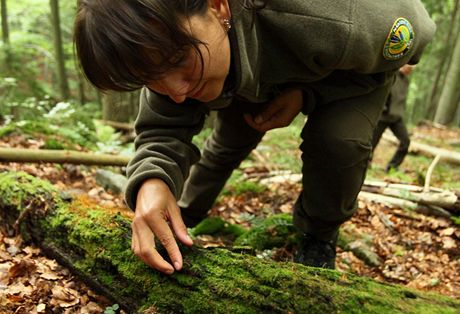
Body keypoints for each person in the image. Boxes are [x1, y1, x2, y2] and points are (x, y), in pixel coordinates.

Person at [74, 0, 435, 274]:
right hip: (237, 67)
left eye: (179, 61)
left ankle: (319, 235)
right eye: (151, 77)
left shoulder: (340, 20)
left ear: (216, 6)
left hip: (345, 73)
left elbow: (411, 40)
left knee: (339, 144)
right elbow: (163, 127)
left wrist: (308, 94)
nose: (176, 91)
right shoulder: (166, 38)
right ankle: (182, 215)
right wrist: (153, 180)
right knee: (230, 139)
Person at [371, 64, 414, 172]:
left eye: (411, 69)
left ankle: (392, 167)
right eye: (408, 67)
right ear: (403, 66)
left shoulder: (406, 81)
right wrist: (383, 107)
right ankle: (365, 164)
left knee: (405, 142)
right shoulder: (391, 76)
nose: (409, 70)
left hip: (396, 117)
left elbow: (401, 99)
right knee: (371, 143)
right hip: (383, 116)